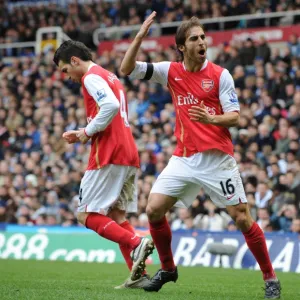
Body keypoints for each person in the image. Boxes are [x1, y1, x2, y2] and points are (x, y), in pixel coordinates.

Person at [120, 12, 281, 298]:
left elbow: (235, 117)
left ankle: (270, 277)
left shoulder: (221, 75)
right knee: (154, 209)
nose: (201, 42)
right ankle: (168, 269)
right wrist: (140, 37)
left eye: (203, 37)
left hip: (218, 159)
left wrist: (211, 119)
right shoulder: (170, 71)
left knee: (242, 218)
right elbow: (126, 68)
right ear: (182, 46)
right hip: (184, 157)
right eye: (194, 38)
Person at [53, 40, 154, 289]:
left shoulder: (90, 76)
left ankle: (136, 242)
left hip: (108, 152)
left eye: (65, 70)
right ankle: (138, 275)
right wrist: (84, 131)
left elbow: (109, 105)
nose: (67, 77)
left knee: (86, 214)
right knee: (117, 215)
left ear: (75, 60)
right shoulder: (110, 76)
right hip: (128, 151)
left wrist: (87, 132)